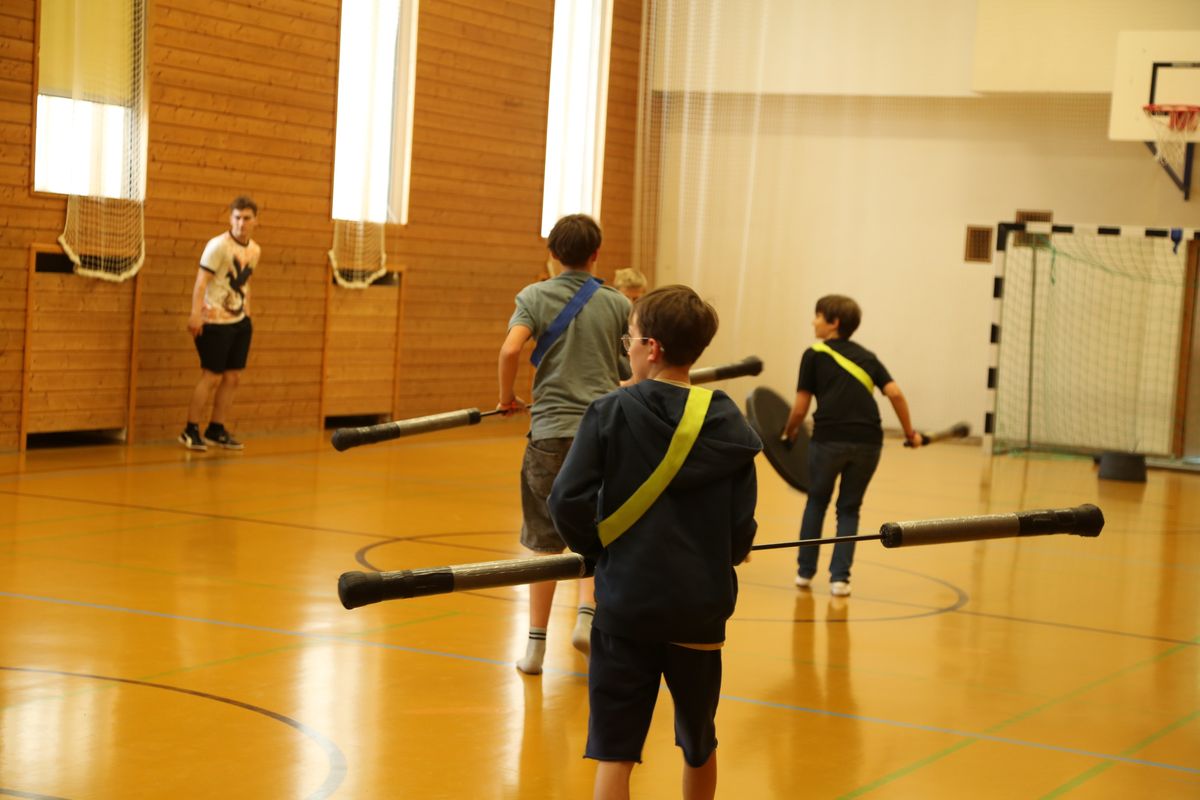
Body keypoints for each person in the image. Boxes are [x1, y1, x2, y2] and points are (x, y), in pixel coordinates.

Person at [548, 285, 761, 800]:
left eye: (630, 339)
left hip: (626, 604)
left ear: (653, 348)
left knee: (615, 750)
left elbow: (565, 501)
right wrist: (723, 552)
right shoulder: (729, 421)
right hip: (699, 608)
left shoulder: (609, 411)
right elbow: (740, 528)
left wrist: (600, 553)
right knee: (698, 740)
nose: (628, 348)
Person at [496, 213, 631, 675]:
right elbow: (630, 367)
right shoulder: (616, 303)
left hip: (550, 432)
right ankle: (586, 621)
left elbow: (512, 349)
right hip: (603, 434)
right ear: (596, 255)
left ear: (551, 252)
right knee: (599, 533)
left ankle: (535, 648)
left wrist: (506, 398)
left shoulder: (533, 296)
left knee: (543, 542)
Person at [783, 294, 921, 597]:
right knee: (849, 509)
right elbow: (895, 393)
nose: (813, 321)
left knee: (817, 501)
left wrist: (789, 432)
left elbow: (800, 408)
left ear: (834, 323)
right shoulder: (868, 356)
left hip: (828, 440)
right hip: (869, 442)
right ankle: (840, 579)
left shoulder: (814, 354)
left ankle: (804, 573)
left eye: (817, 316)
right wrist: (910, 433)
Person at [179, 196, 260, 452]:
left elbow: (244, 282)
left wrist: (248, 311)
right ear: (230, 219)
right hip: (213, 319)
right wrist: (195, 314)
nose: (241, 223)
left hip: (239, 320)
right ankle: (190, 429)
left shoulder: (255, 250)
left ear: (255, 221)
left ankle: (217, 428)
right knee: (211, 376)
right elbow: (201, 282)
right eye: (237, 217)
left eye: (246, 218)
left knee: (232, 377)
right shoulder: (217, 246)